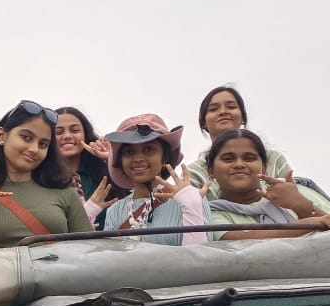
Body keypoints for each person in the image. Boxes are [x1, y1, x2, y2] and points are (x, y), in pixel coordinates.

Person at [0, 101, 93, 285]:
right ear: (1, 135)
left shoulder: (65, 193)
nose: (34, 149)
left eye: (43, 144)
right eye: (26, 137)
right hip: (6, 301)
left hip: (62, 298)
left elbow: (88, 255)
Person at [205, 129, 330, 239]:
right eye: (228, 159)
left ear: (264, 168)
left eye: (249, 158)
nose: (239, 164)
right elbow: (241, 242)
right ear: (211, 171)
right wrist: (312, 223)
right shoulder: (209, 215)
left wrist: (301, 205)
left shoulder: (298, 191)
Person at [101, 114, 211, 245]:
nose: (138, 159)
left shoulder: (193, 199)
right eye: (129, 152)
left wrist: (192, 206)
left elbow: (202, 254)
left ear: (164, 157)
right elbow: (111, 255)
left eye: (148, 149)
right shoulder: (115, 210)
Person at [184, 86, 293, 198]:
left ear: (243, 118)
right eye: (213, 109)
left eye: (231, 107)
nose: (223, 112)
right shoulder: (193, 172)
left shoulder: (274, 159)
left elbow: (294, 195)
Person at [54, 106, 120, 227]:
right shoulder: (39, 179)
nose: (67, 136)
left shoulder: (106, 174)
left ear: (85, 135)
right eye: (58, 132)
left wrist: (111, 157)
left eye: (75, 130)